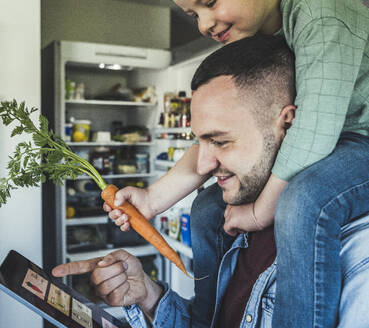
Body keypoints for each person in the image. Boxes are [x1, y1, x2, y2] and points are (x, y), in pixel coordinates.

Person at [53, 35, 369, 328]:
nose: (203, 165)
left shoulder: (354, 255)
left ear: (288, 124)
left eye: (220, 141)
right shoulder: (223, 218)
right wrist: (146, 295)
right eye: (199, 142)